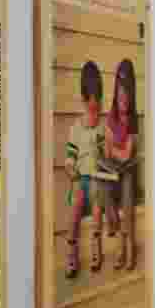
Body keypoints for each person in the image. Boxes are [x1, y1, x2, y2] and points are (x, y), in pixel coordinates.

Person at [64, 61, 107, 276]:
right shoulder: (75, 129)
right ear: (83, 99)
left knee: (98, 193)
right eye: (90, 101)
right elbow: (70, 158)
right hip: (81, 180)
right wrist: (71, 170)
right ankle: (71, 248)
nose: (94, 106)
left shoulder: (102, 127)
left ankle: (96, 245)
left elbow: (105, 159)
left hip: (97, 180)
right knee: (78, 197)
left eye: (97, 101)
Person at [105, 58, 140, 271]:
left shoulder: (133, 120)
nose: (123, 98)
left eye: (127, 94)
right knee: (103, 189)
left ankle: (127, 246)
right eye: (120, 94)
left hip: (127, 172)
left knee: (127, 194)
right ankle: (118, 232)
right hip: (111, 171)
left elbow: (127, 155)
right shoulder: (111, 117)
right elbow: (109, 151)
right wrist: (117, 153)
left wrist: (117, 152)